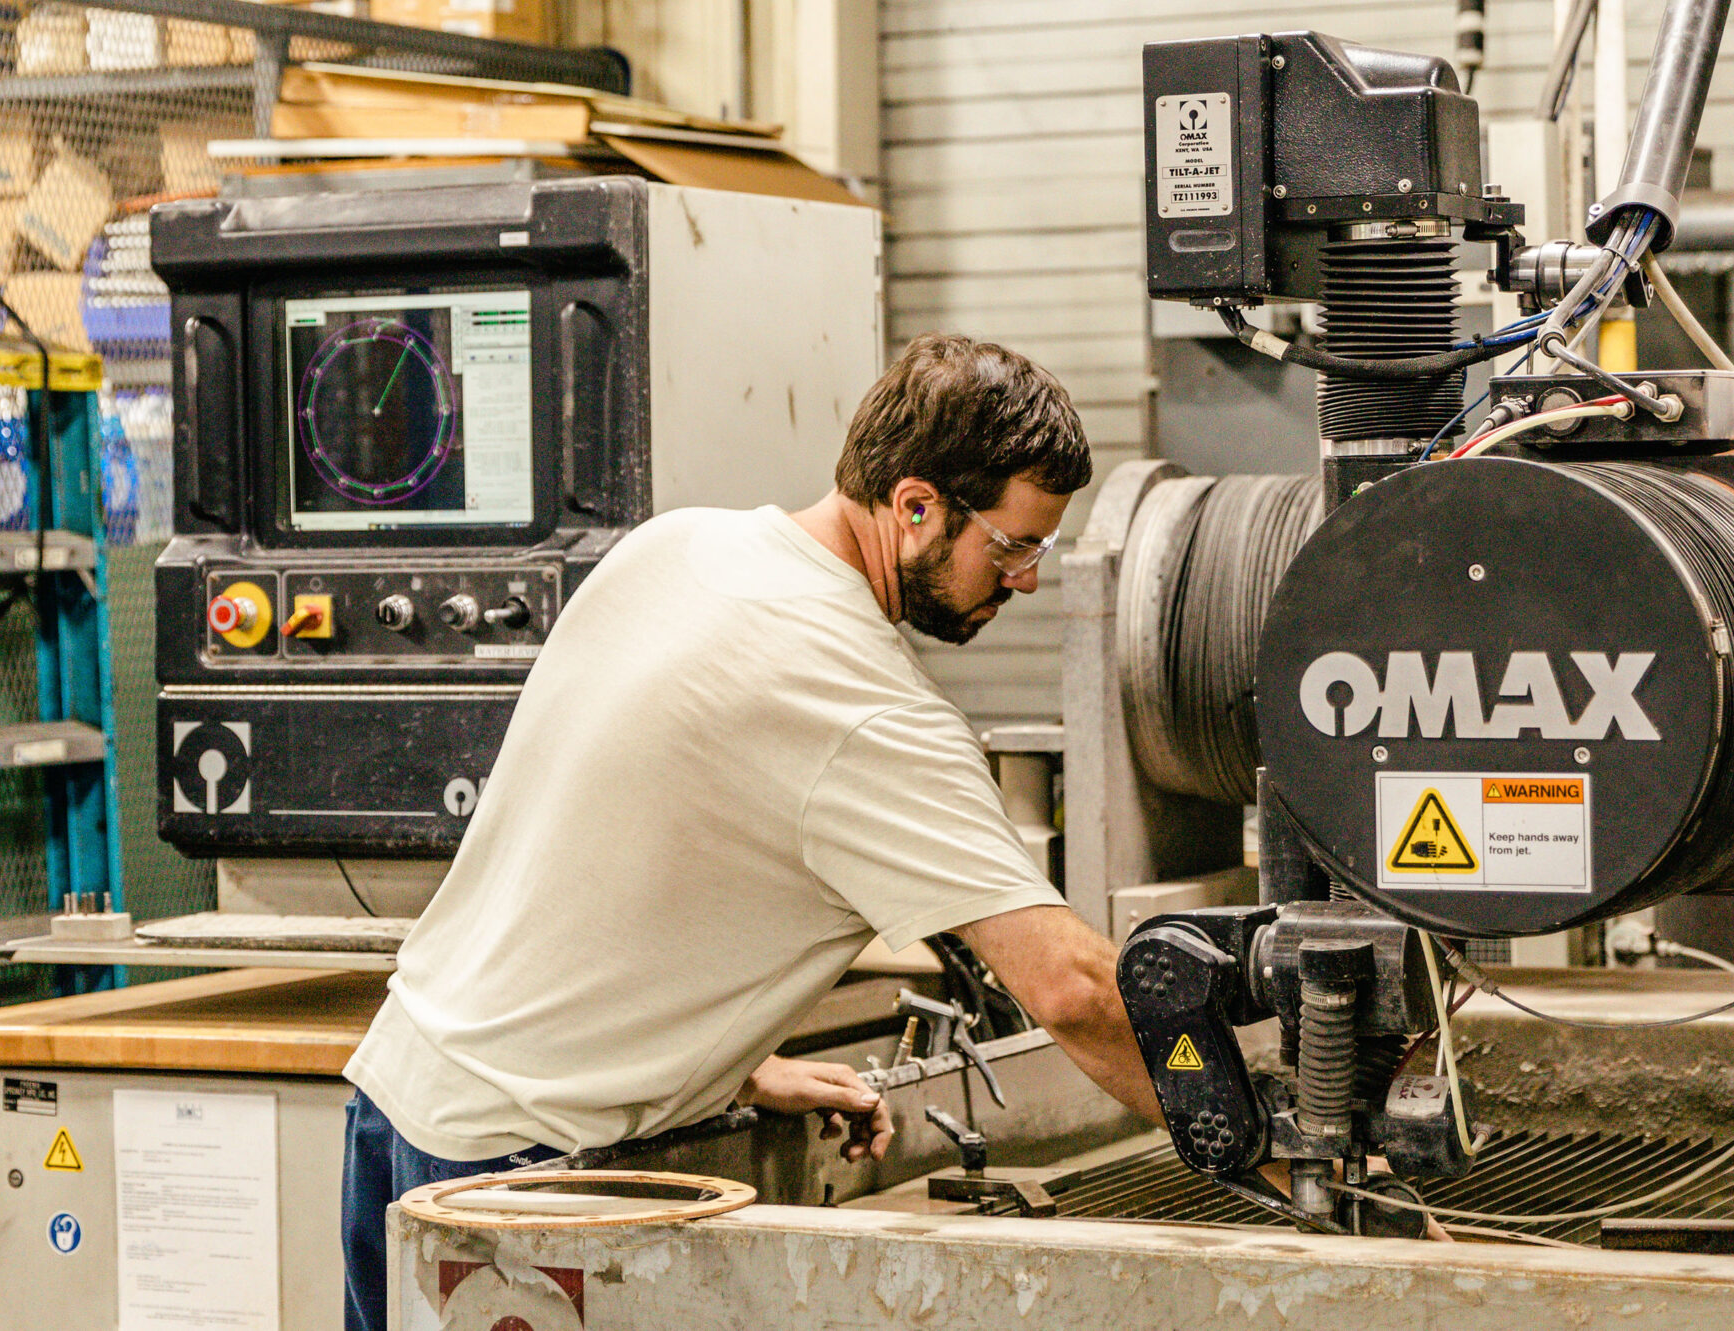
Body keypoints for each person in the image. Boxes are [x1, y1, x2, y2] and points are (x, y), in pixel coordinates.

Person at [336, 333, 1167, 1330]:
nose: (1026, 580)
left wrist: (729, 1070)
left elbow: (616, 864)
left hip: (397, 1107)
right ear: (914, 508)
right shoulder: (864, 704)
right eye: (1012, 546)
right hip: (518, 1184)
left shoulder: (680, 545)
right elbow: (1073, 992)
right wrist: (1246, 1131)